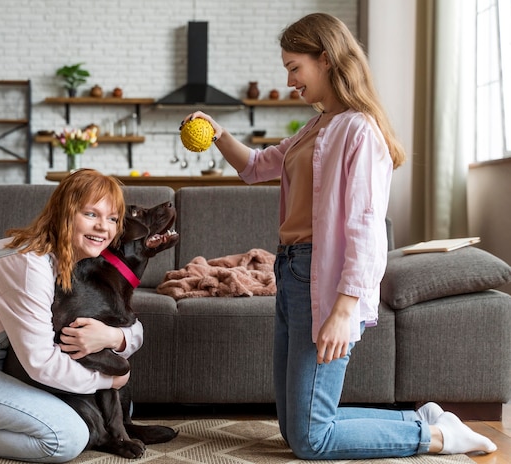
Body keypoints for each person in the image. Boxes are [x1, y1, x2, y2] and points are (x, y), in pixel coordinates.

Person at [182, 12, 497, 459]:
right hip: (290, 271)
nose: (290, 79)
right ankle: (422, 419)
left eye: (295, 67)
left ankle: (438, 438)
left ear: (325, 59)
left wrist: (345, 307)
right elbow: (255, 167)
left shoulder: (359, 129)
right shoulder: (315, 126)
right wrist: (216, 133)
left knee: (313, 440)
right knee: (297, 432)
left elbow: (366, 226)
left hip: (324, 280)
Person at [0, 169, 143, 463]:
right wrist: (106, 380)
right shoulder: (29, 264)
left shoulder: (72, 258)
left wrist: (116, 337)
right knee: (68, 438)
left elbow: (131, 324)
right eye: (91, 214)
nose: (104, 227)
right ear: (65, 213)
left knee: (117, 414)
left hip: (6, 363)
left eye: (113, 219)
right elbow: (41, 363)